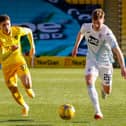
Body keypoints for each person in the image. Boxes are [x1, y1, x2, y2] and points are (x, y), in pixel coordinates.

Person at [72, 8, 126, 120]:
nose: (97, 26)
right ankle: (98, 111)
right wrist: (76, 47)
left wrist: (123, 67)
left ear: (103, 20)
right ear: (92, 20)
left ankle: (103, 88)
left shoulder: (107, 33)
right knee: (89, 81)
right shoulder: (86, 27)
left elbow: (117, 51)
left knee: (107, 90)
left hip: (106, 64)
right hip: (92, 60)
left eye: (99, 23)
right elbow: (80, 33)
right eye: (95, 23)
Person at [0, 15, 35, 116]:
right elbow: (2, 58)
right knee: (13, 89)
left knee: (27, 83)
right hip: (6, 67)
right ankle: (25, 106)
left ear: (10, 23)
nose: (6, 27)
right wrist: (11, 50)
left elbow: (29, 31)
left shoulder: (17, 30)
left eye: (8, 24)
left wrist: (33, 47)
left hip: (19, 61)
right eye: (3, 25)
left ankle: (28, 88)